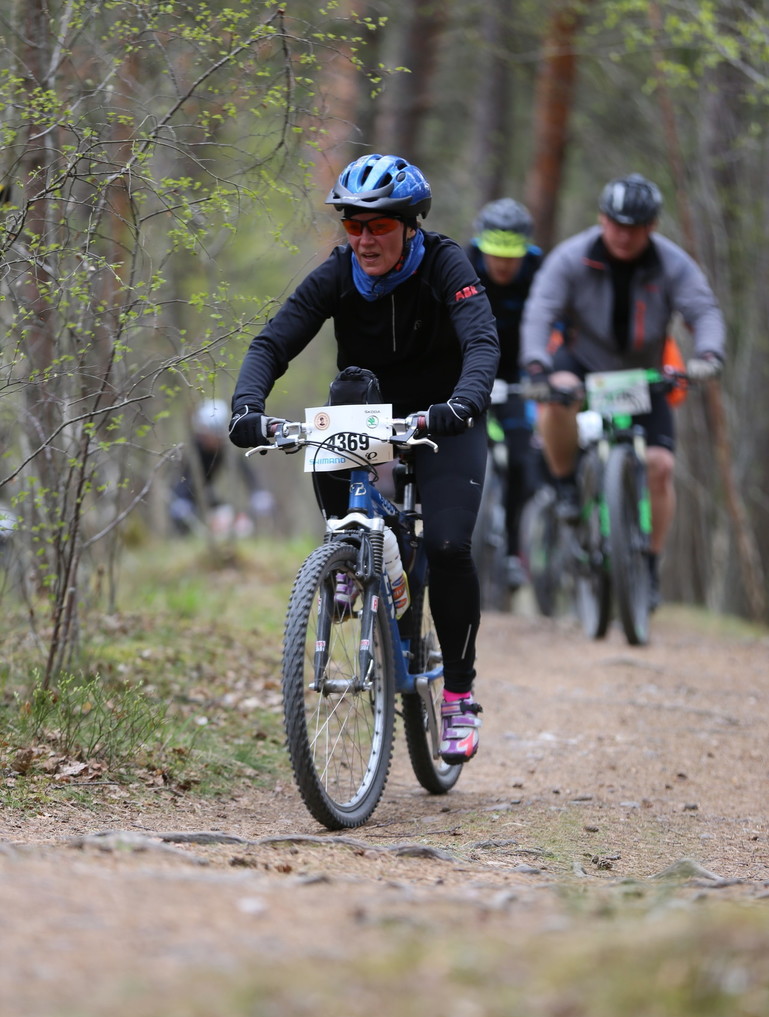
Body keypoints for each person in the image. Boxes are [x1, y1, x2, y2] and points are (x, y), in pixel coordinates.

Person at [228, 153, 500, 764]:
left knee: (450, 546)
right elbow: (273, 341)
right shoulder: (338, 273)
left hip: (441, 417)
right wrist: (248, 407)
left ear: (409, 226)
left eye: (378, 226)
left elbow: (482, 339)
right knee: (340, 402)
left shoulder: (445, 264)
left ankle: (457, 690)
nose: (364, 239)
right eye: (353, 226)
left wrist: (462, 403)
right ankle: (352, 557)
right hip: (369, 414)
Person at [520, 172, 725, 609]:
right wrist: (538, 364)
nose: (623, 234)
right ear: (601, 219)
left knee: (661, 465)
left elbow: (702, 310)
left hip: (643, 375)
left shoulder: (673, 263)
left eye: (634, 226)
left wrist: (708, 355)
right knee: (559, 397)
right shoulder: (571, 257)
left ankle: (647, 568)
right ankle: (566, 485)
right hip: (582, 363)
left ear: (652, 226)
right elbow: (540, 311)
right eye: (615, 223)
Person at [466, 198, 544, 588]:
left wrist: (544, 370)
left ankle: (514, 550)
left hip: (518, 377)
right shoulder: (462, 264)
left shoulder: (539, 272)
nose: (502, 265)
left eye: (510, 257)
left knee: (520, 462)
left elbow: (554, 321)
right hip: (468, 373)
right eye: (495, 255)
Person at [169, 399, 274, 536]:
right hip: (185, 499)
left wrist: (257, 492)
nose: (213, 440)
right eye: (208, 433)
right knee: (185, 526)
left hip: (207, 494)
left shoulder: (224, 449)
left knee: (233, 522)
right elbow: (179, 477)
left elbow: (244, 469)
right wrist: (180, 499)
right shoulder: (192, 451)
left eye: (217, 435)